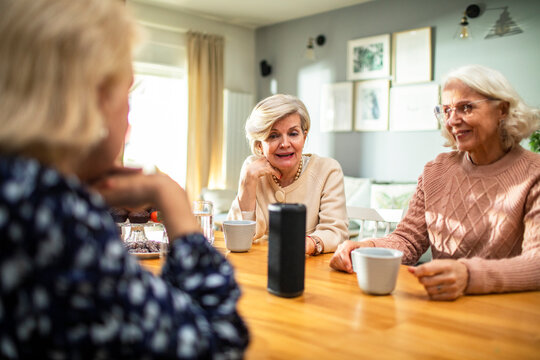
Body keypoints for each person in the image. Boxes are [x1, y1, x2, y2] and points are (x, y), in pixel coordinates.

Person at [0, 0, 248, 358]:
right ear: (91, 97)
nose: (128, 119)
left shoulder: (22, 190)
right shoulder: (56, 215)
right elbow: (216, 342)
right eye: (126, 92)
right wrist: (171, 196)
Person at [330, 65, 540, 300]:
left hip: (508, 313)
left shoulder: (534, 174)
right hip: (442, 305)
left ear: (502, 109)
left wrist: (468, 275)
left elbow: (537, 263)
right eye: (446, 110)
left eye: (466, 107)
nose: (452, 120)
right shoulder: (435, 172)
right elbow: (408, 240)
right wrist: (367, 247)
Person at [227, 94, 348, 255]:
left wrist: (309, 243)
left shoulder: (327, 170)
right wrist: (247, 182)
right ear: (259, 146)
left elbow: (336, 232)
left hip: (309, 269)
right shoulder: (252, 170)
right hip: (258, 266)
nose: (285, 144)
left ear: (304, 137)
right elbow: (238, 238)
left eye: (293, 133)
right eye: (273, 135)